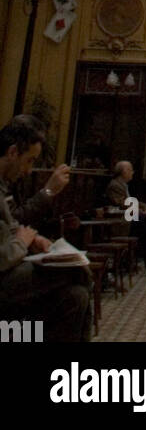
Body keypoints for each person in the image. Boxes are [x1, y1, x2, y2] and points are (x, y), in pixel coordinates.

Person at [0, 117, 91, 341]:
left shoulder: (5, 184)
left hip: (11, 266)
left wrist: (32, 238)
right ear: (13, 152)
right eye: (29, 160)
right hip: (3, 273)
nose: (29, 170)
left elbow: (11, 224)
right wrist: (22, 241)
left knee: (76, 296)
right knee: (77, 270)